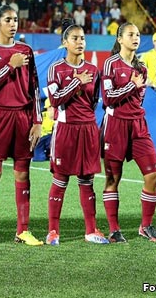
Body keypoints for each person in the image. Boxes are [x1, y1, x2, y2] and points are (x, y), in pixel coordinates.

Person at [0, 5, 43, 247]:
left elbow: (34, 87)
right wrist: (10, 65)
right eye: (8, 20)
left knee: (23, 174)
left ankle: (22, 230)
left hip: (23, 118)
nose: (13, 24)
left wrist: (37, 120)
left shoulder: (26, 50)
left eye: (15, 19)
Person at [45, 19, 109, 245]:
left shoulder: (93, 70)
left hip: (88, 129)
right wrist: (76, 83)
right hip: (66, 129)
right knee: (60, 179)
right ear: (65, 42)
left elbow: (93, 102)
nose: (80, 42)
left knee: (87, 180)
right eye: (75, 38)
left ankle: (91, 230)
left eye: (82, 38)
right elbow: (54, 99)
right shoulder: (56, 69)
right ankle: (53, 231)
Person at [100, 22, 156, 243]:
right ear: (119, 38)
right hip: (115, 125)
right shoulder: (110, 64)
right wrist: (131, 86)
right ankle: (114, 230)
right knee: (112, 179)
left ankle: (145, 226)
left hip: (138, 125)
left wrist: (134, 87)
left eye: (137, 35)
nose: (135, 38)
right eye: (130, 34)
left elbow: (140, 98)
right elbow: (108, 99)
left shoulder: (142, 68)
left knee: (153, 175)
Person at [32, 98, 54, 162]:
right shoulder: (41, 116)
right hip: (40, 140)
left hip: (50, 138)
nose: (51, 109)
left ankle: (50, 153)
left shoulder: (58, 117)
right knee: (38, 159)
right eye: (49, 107)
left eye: (52, 107)